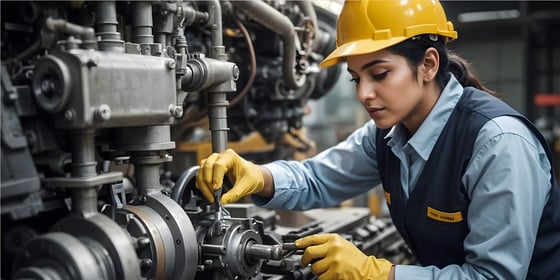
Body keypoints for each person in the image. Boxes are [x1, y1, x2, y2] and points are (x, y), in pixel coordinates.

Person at [196, 0, 560, 279]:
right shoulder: (387, 135)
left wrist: (379, 273)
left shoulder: (498, 144)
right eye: (356, 78)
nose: (364, 94)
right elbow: (318, 178)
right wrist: (259, 176)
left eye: (380, 73)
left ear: (429, 64)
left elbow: (492, 276)